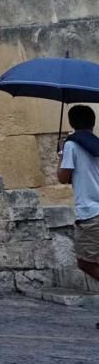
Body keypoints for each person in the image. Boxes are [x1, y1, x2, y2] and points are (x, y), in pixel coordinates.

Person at [56, 105, 99, 329]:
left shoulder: (73, 145)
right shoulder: (96, 144)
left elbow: (63, 177)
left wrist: (61, 152)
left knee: (86, 262)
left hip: (90, 212)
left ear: (72, 123)